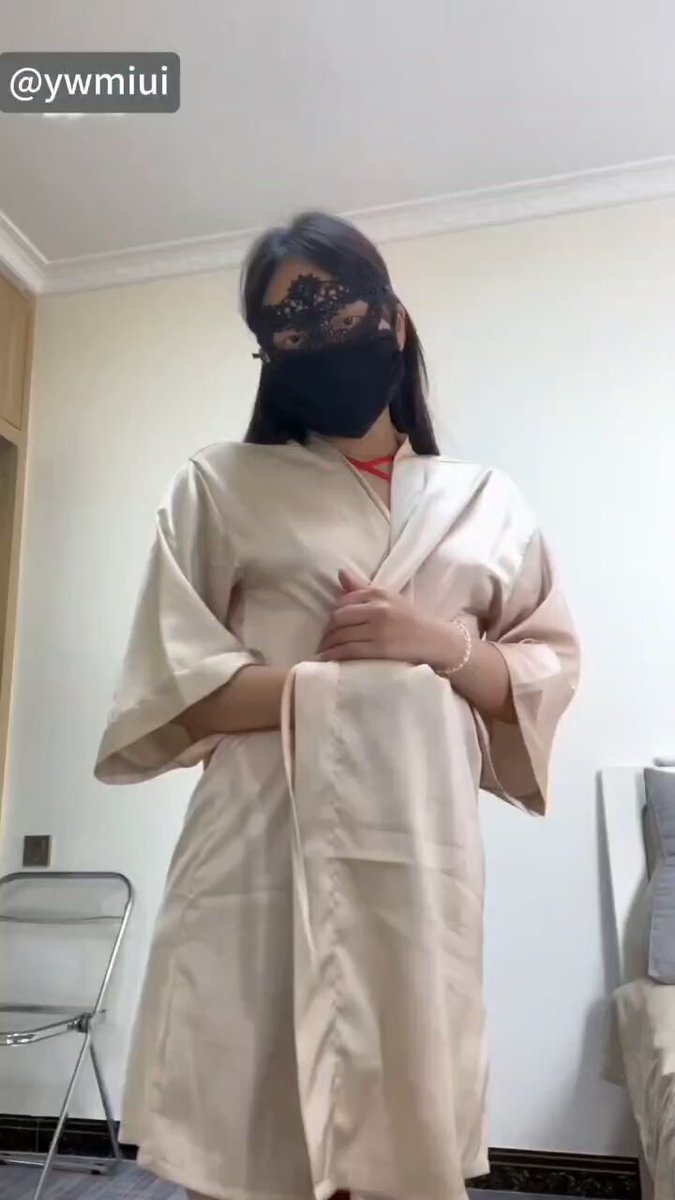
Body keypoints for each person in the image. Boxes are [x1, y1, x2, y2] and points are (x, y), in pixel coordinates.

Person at [95, 211, 579, 1200]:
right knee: (244, 1139)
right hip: (258, 848)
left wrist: (434, 644)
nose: (312, 336)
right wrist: (351, 685)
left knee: (400, 1129)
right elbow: (174, 683)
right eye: (286, 325)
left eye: (330, 307)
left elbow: (540, 672)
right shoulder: (220, 484)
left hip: (417, 856)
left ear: (391, 320)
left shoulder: (486, 499)